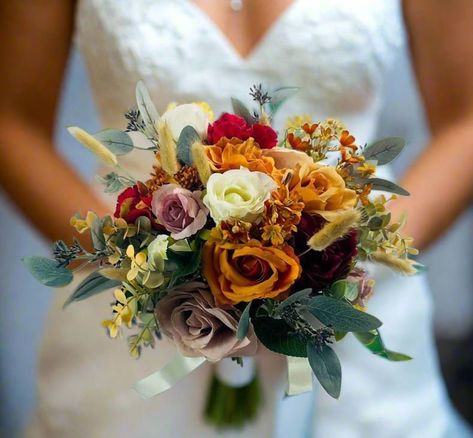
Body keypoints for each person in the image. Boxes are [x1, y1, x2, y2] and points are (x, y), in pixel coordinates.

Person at [1, 0, 472, 436]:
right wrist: (145, 272)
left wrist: (343, 267)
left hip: (354, 310)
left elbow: (465, 123)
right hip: (130, 321)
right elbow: (11, 123)